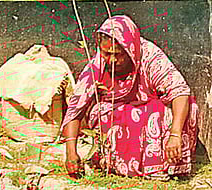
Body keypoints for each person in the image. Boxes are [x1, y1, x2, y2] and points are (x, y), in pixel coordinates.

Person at [60, 15, 198, 179]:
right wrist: (71, 152)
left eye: (118, 54)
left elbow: (179, 91)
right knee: (105, 113)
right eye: (106, 53)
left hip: (152, 114)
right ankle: (116, 163)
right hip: (118, 117)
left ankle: (164, 166)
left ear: (130, 49)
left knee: (163, 111)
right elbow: (76, 109)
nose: (111, 60)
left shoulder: (149, 55)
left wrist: (175, 134)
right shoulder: (98, 65)